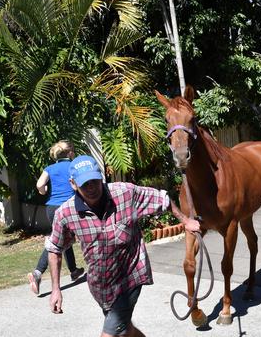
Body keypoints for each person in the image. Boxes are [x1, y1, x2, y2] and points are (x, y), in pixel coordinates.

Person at [46, 155, 200, 337]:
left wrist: (186, 221)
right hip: (101, 285)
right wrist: (56, 289)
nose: (92, 188)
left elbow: (162, 199)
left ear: (101, 176)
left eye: (94, 181)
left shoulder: (124, 193)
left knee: (110, 334)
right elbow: (54, 249)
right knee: (126, 331)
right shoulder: (65, 214)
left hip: (130, 276)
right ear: (73, 184)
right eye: (85, 184)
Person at [28, 141, 84, 295]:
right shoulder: (73, 166)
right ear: (70, 153)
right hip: (68, 207)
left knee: (62, 237)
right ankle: (37, 273)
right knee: (58, 242)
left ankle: (73, 271)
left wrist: (43, 191)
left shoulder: (50, 168)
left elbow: (40, 184)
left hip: (51, 208)